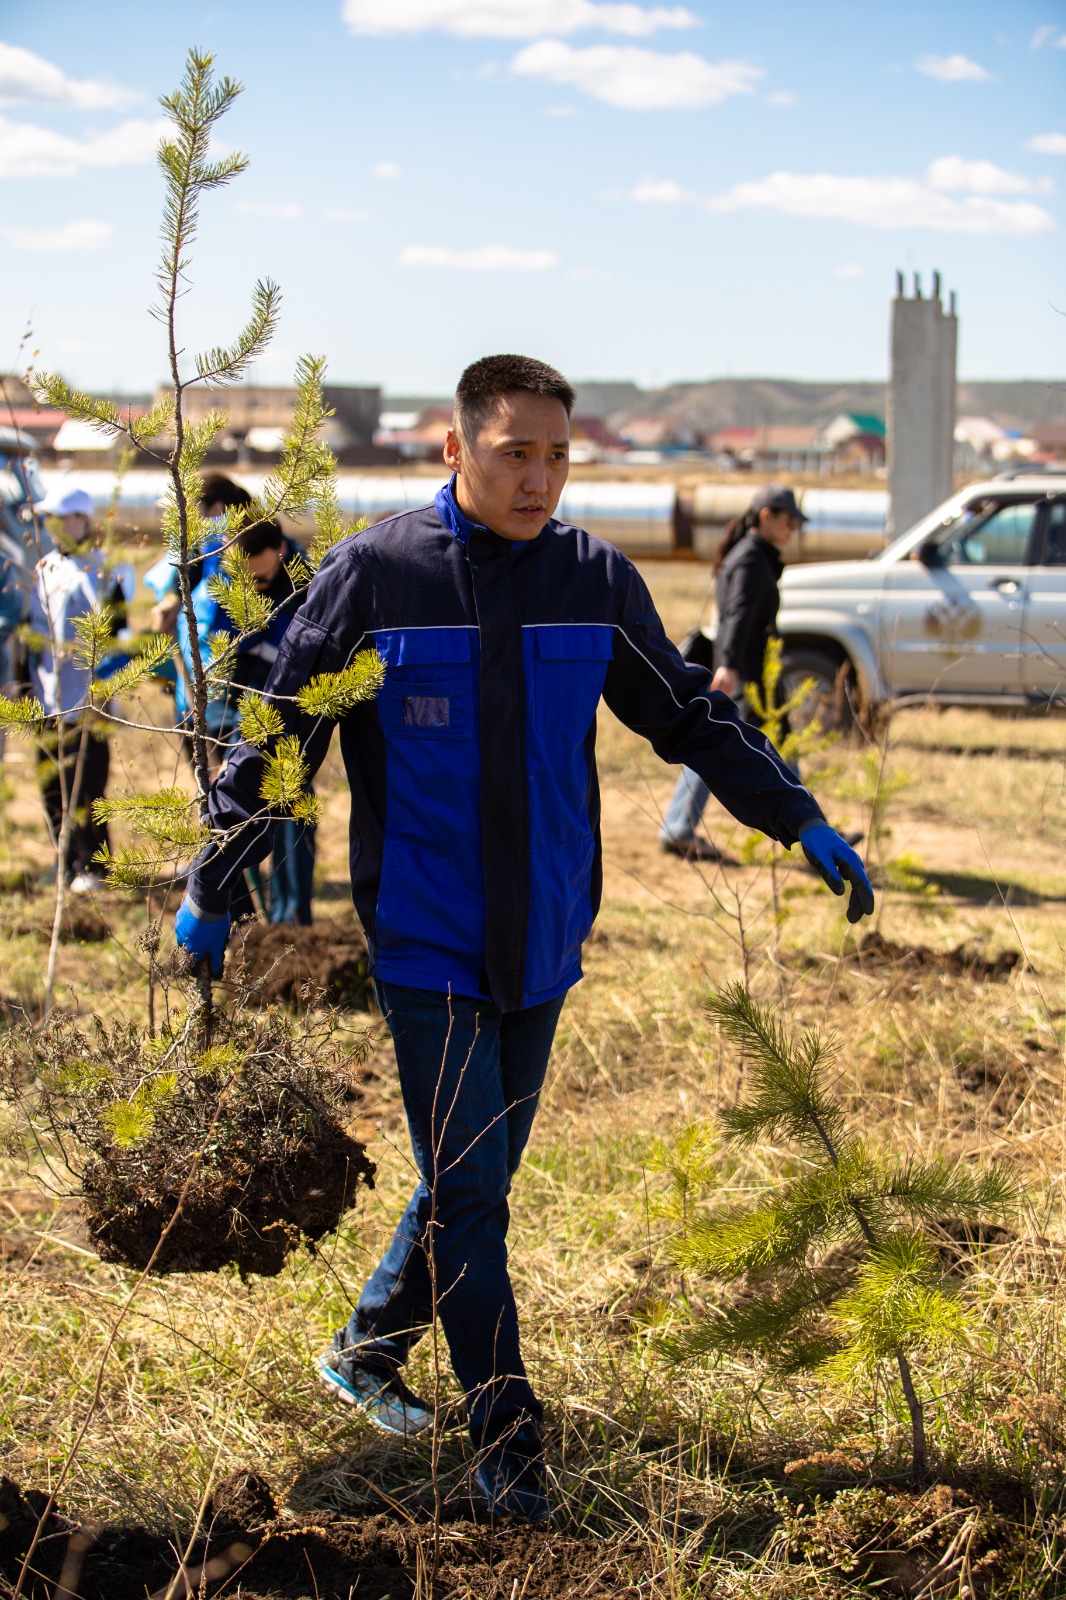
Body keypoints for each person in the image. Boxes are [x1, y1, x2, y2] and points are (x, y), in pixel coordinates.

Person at [174, 356, 873, 1522]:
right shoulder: (376, 578)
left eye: (557, 455)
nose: (539, 478)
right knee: (477, 1196)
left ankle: (364, 1349)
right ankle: (507, 1439)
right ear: (455, 449)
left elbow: (687, 714)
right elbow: (279, 740)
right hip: (424, 938)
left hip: (545, 936)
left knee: (474, 1176)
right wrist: (213, 882)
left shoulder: (590, 578)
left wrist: (795, 815)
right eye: (514, 452)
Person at [659, 484, 805, 861]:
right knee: (750, 745)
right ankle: (809, 832)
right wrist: (730, 667)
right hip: (748, 675)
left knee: (722, 743)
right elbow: (736, 617)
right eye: (788, 520)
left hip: (751, 671)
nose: (793, 528)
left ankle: (679, 825)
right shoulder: (752, 560)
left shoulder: (753, 556)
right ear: (765, 516)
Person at [29, 487, 131, 892]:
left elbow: (121, 640)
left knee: (88, 787)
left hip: (88, 703)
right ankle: (66, 862)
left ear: (81, 520)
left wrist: (103, 693)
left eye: (62, 516)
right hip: (45, 701)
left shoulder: (103, 573)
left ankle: (94, 864)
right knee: (52, 785)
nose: (54, 525)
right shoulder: (41, 568)